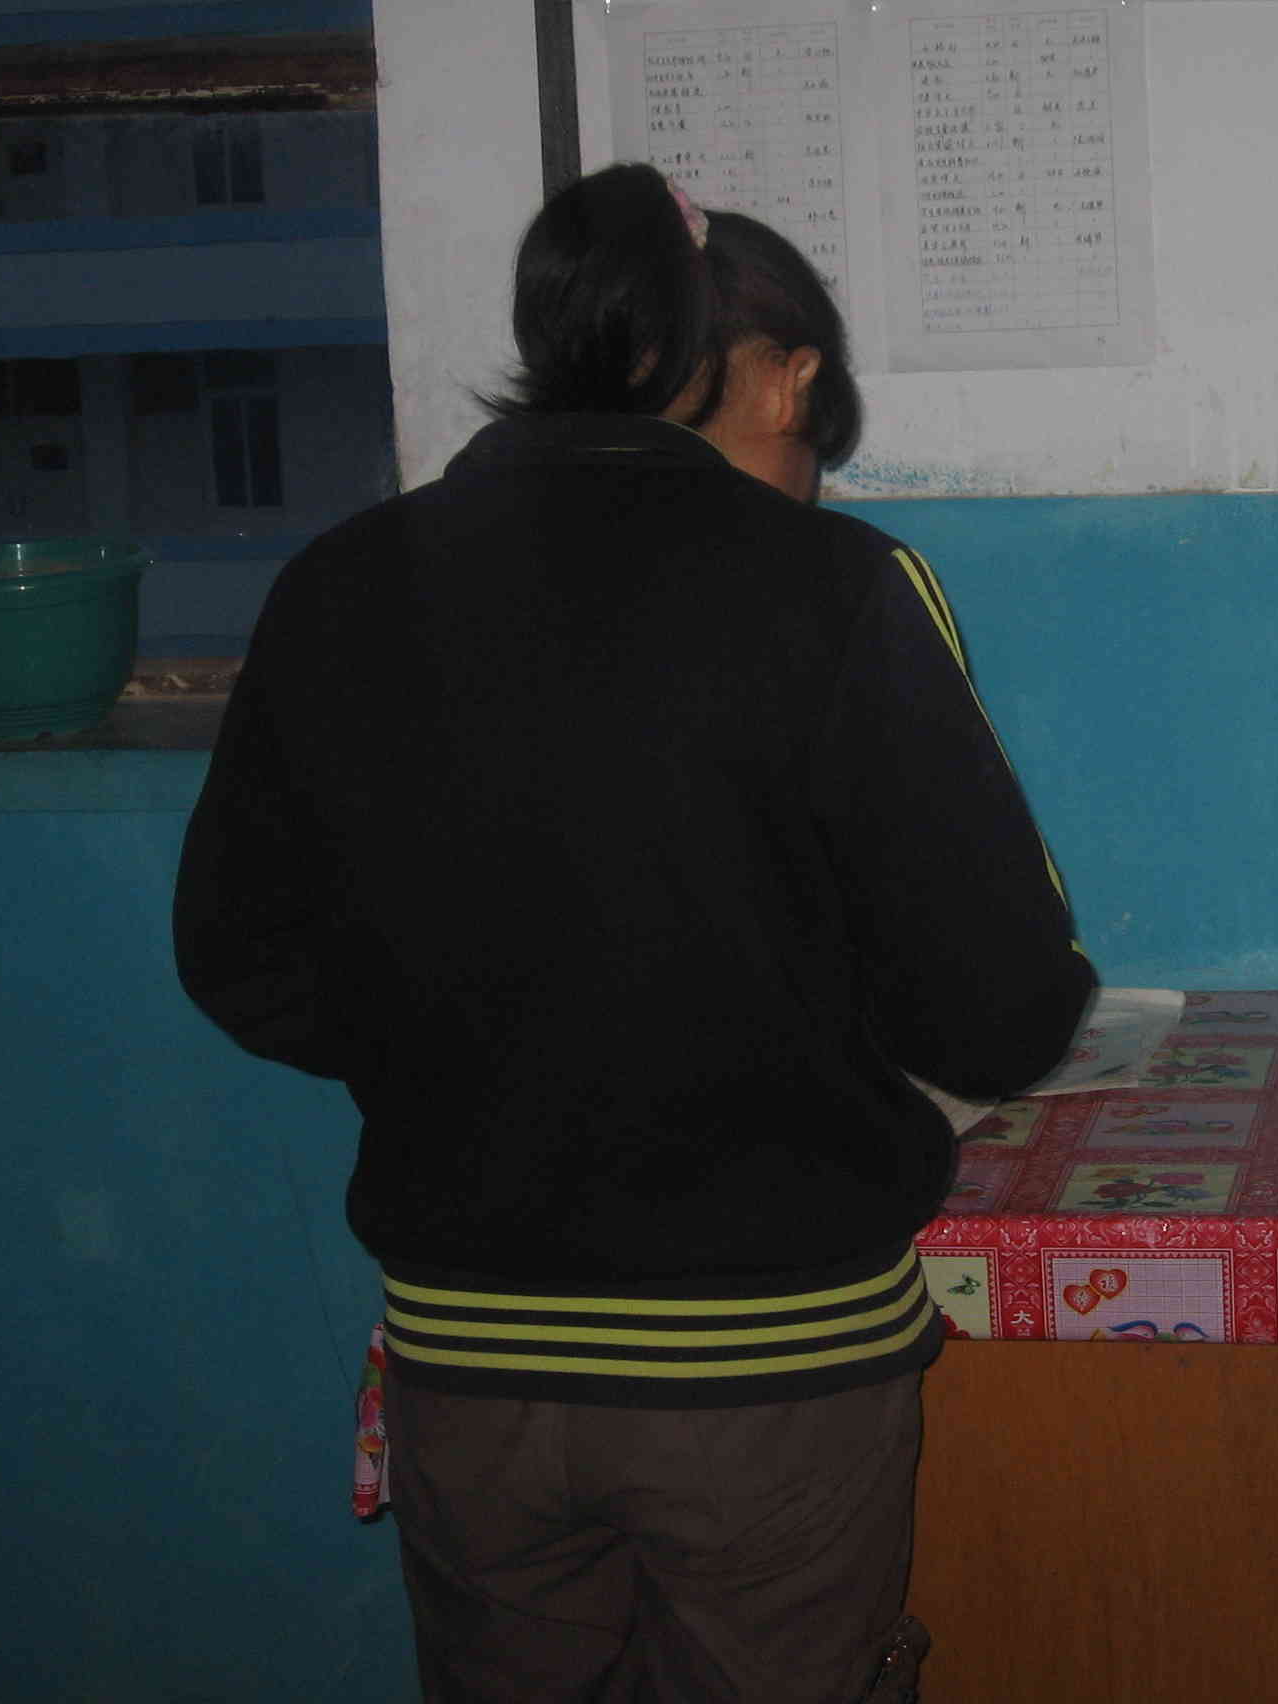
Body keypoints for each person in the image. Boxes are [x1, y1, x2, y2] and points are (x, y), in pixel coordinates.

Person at [173, 162, 1096, 1703]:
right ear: (781, 378)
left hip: (469, 1359)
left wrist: (467, 1042)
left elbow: (240, 960)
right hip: (768, 1364)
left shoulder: (341, 581)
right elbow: (1004, 1007)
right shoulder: (837, 587)